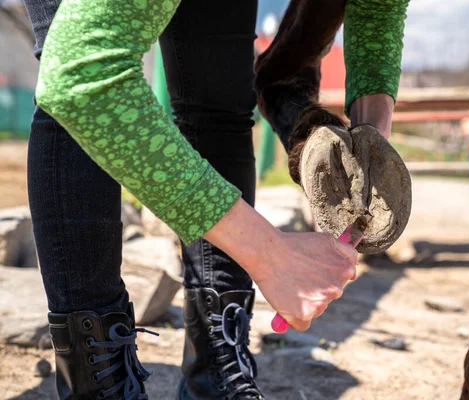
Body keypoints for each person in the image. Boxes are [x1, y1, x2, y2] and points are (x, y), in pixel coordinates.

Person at [22, 0, 408, 398]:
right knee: (73, 96)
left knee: (220, 105)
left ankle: (216, 371)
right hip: (83, 66)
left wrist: (373, 140)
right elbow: (82, 79)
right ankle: (97, 384)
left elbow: (378, 6)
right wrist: (270, 254)